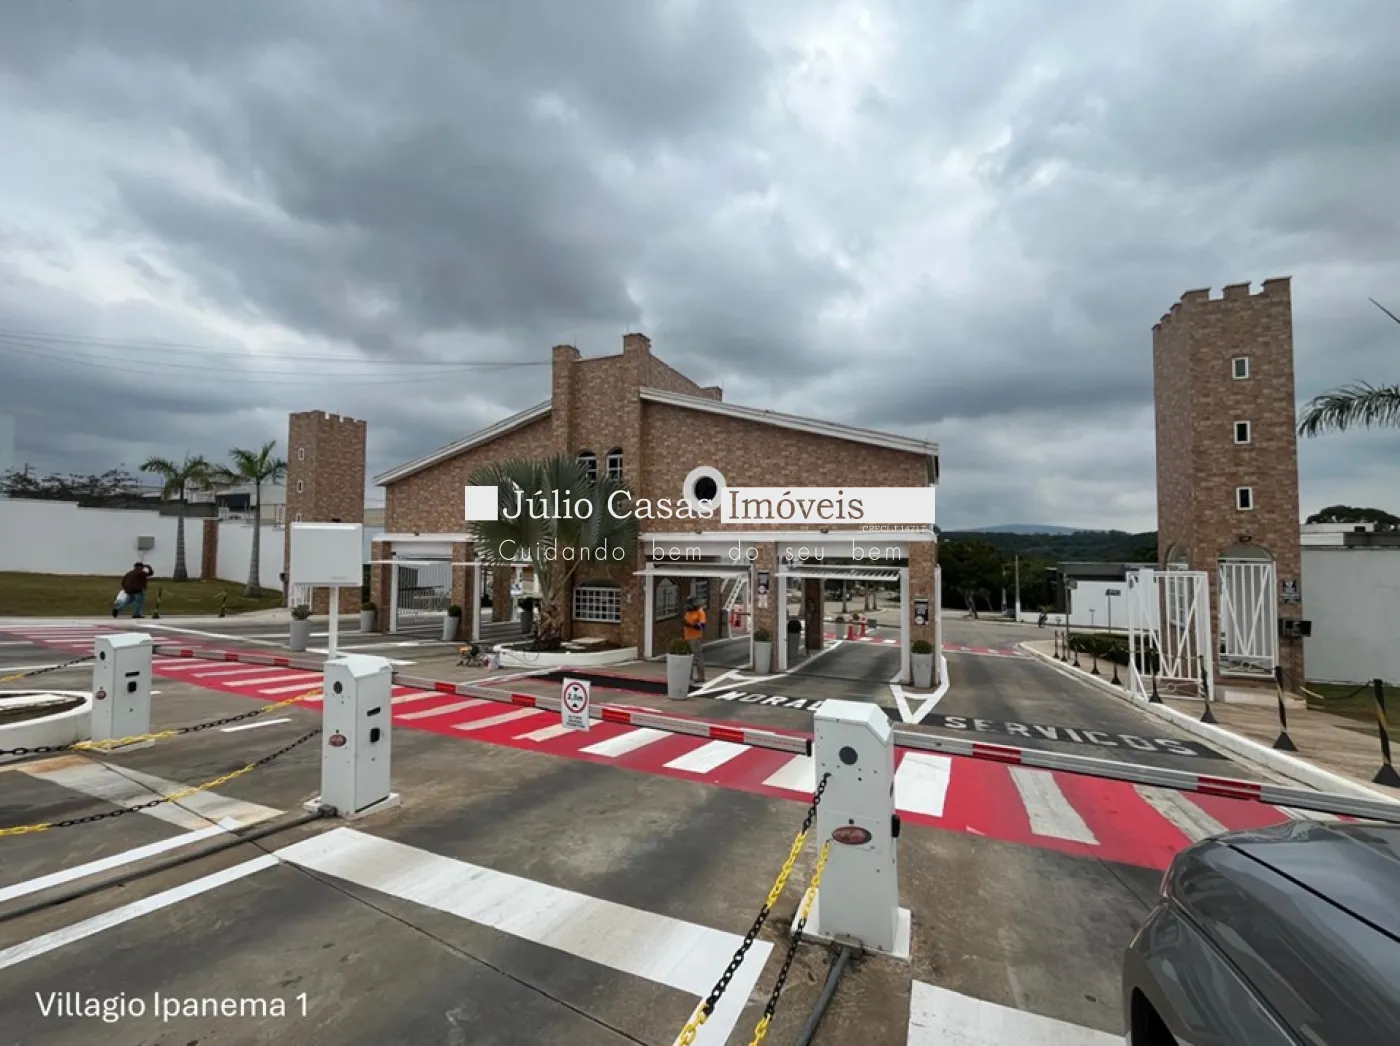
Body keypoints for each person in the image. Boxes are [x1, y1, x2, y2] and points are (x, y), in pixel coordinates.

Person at [682, 597, 706, 685]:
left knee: (697, 657)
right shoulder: (688, 612)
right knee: (689, 658)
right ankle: (689, 675)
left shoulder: (700, 612)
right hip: (687, 637)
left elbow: (702, 626)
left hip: (695, 638)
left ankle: (701, 677)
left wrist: (690, 625)